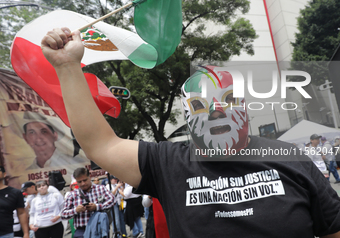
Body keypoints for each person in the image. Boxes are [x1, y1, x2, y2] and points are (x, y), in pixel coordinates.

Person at [41, 28, 340, 237]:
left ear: (244, 106)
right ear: (185, 113)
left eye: (227, 100)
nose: (216, 111)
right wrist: (68, 66)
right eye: (200, 104)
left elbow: (332, 229)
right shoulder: (168, 163)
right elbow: (100, 144)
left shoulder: (289, 158)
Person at [60, 167, 114, 238]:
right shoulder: (72, 194)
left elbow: (112, 200)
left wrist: (97, 207)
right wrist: (76, 210)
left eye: (85, 180)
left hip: (99, 229)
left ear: (90, 177)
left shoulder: (101, 188)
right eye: (79, 182)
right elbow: (63, 214)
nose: (83, 183)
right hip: (81, 231)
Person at [0, 165, 29, 238]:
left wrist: (26, 233)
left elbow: (21, 213)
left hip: (6, 234)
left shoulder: (15, 192)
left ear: (4, 174)